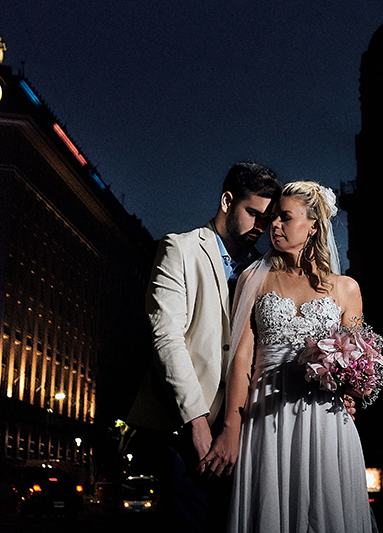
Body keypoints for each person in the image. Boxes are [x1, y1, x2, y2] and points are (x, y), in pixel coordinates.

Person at [200, 181, 375, 533]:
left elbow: (359, 363)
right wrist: (232, 428)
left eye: (284, 217)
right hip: (266, 415)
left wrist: (354, 393)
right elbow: (241, 358)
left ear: (313, 225)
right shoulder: (254, 278)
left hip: (325, 421)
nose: (273, 226)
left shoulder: (346, 289)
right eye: (273, 218)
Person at [128, 161, 281, 532]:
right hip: (182, 429)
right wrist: (196, 425)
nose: (260, 228)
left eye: (267, 219)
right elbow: (167, 339)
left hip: (245, 434)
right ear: (227, 200)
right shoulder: (178, 249)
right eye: (253, 214)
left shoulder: (264, 269)